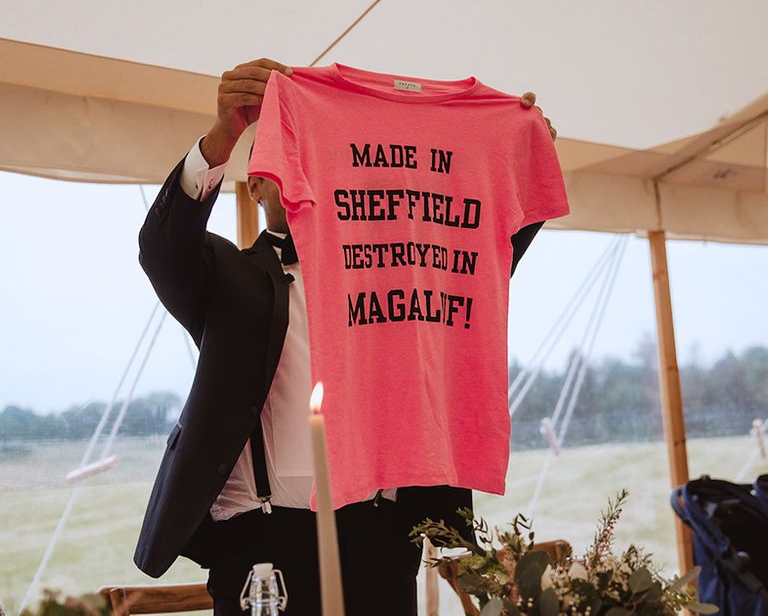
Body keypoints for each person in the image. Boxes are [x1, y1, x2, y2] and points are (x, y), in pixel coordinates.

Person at [133, 58, 556, 615]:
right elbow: (163, 248)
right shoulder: (227, 275)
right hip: (262, 540)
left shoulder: (401, 267)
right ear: (256, 183)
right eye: (288, 160)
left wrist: (525, 152)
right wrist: (221, 138)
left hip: (379, 534)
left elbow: (477, 257)